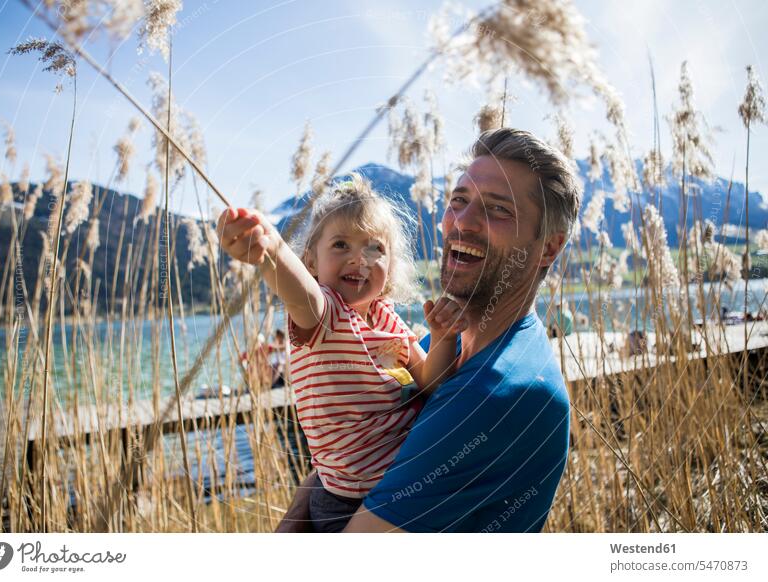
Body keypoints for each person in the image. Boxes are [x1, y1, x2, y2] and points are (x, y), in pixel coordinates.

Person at [276, 127, 579, 532]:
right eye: (458, 200)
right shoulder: (441, 344)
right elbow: (356, 440)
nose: (461, 223)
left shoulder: (498, 393)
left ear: (549, 247)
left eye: (498, 209)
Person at [217, 175, 467, 532]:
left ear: (391, 264)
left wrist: (442, 337)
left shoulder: (388, 318)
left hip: (406, 485)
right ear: (311, 263)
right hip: (347, 502)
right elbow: (299, 292)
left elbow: (433, 383)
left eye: (374, 248)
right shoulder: (326, 315)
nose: (359, 259)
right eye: (340, 245)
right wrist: (272, 250)